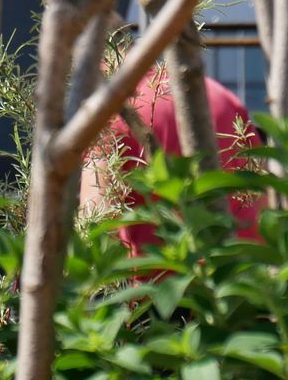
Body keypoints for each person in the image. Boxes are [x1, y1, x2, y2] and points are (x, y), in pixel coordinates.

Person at [79, 64, 261, 255]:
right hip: (240, 270)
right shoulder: (221, 95)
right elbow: (260, 199)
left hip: (158, 276)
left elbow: (97, 223)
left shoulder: (110, 112)